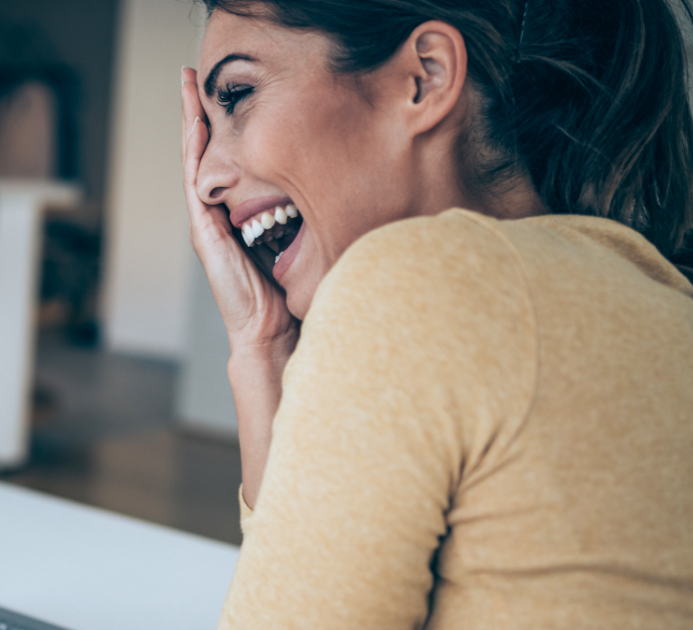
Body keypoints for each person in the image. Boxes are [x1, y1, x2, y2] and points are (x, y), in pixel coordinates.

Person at [181, 1, 693, 628]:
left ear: (424, 76)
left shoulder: (414, 283)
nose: (205, 176)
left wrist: (259, 350)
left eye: (237, 96)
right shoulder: (646, 294)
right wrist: (262, 344)